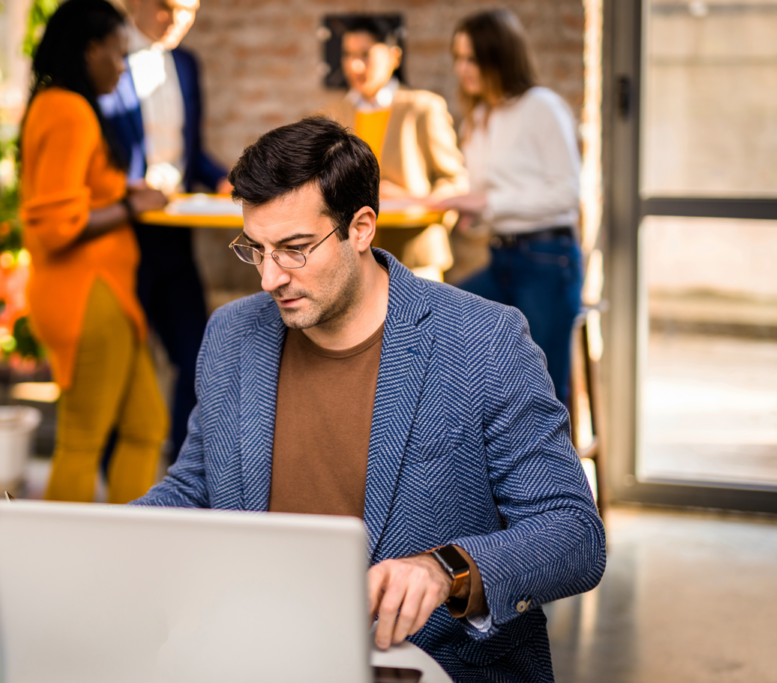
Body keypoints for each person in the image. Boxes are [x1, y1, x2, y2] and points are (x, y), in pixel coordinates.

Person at [134, 116, 605, 682]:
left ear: (361, 228)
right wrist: (112, 542)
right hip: (267, 660)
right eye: (255, 249)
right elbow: (197, 486)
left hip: (435, 667)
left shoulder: (484, 340)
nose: (269, 278)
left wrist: (446, 571)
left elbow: (572, 531)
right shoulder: (233, 334)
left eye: (294, 249)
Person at [19, 0, 169, 503]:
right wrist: (131, 208)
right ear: (90, 51)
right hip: (86, 294)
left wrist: (126, 196)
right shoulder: (68, 110)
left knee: (147, 424)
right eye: (118, 54)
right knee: (82, 439)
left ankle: (130, 549)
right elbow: (60, 223)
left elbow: (77, 195)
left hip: (103, 294)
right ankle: (63, 571)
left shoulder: (57, 105)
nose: (123, 67)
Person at [432, 9, 583, 407]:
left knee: (543, 391)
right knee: (437, 324)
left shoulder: (541, 107)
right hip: (502, 257)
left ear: (501, 56)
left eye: (474, 58)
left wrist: (486, 203)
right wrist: (474, 214)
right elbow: (492, 201)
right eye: (459, 58)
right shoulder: (478, 119)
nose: (464, 69)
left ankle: (549, 471)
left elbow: (566, 194)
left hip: (548, 261)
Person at [99, 0, 229, 464]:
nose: (178, 20)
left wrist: (221, 178)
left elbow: (189, 152)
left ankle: (182, 464)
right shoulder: (105, 60)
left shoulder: (187, 64)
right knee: (124, 358)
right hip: (120, 231)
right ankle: (112, 472)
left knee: (195, 350)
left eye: (190, 10)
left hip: (176, 230)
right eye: (167, 7)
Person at [331, 16, 468, 282]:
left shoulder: (423, 108)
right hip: (355, 265)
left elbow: (454, 181)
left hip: (414, 260)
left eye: (365, 54)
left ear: (394, 57)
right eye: (348, 55)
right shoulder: (335, 114)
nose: (354, 65)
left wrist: (413, 200)